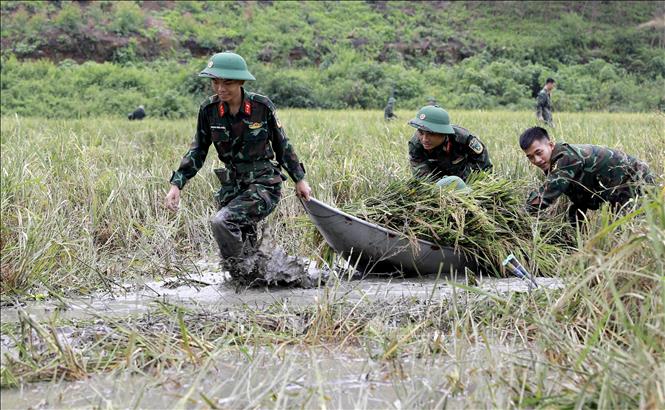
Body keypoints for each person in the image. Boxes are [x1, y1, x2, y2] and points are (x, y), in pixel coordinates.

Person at [165, 51, 312, 279]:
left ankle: (245, 277)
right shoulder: (209, 111)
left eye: (228, 82)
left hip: (264, 184)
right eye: (215, 81)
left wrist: (299, 179)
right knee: (243, 246)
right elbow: (198, 150)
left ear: (241, 81)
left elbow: (282, 144)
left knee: (222, 222)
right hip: (233, 188)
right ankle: (256, 281)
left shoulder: (261, 107)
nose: (220, 88)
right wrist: (177, 185)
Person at [519, 127, 655, 225]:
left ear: (551, 145)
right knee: (575, 215)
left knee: (629, 227)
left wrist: (520, 214)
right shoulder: (553, 163)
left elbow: (548, 193)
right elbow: (580, 195)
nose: (536, 160)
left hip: (636, 179)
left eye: (539, 152)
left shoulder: (566, 158)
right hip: (616, 185)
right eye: (530, 157)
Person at [407, 105, 492, 182]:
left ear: (443, 132)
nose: (424, 139)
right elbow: (422, 176)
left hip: (465, 177)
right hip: (437, 180)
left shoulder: (463, 139)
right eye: (421, 133)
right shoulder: (416, 145)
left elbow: (484, 165)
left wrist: (466, 184)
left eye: (431, 134)